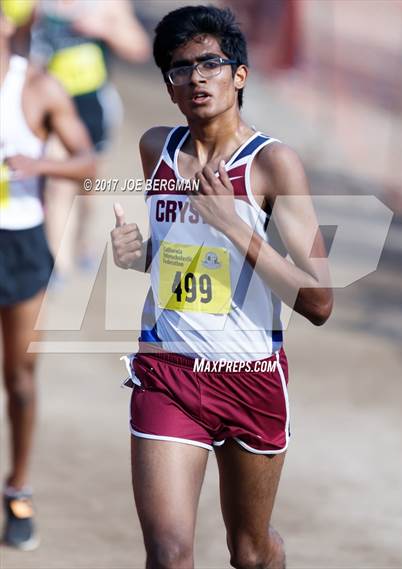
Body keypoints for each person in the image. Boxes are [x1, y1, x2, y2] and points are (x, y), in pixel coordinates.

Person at [111, 5, 333, 568]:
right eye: (179, 69)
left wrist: (234, 223)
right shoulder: (155, 149)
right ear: (169, 87)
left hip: (250, 375)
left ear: (240, 75)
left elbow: (318, 301)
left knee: (251, 552)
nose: (195, 78)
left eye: (210, 63)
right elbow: (187, 260)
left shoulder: (273, 164)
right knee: (168, 553)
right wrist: (142, 256)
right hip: (169, 371)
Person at [0, 5, 95, 550]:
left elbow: (88, 162)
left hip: (19, 244)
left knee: (18, 377)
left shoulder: (37, 87)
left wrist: (39, 166)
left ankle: (19, 489)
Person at [29, 0, 151, 278]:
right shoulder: (40, 5)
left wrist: (104, 28)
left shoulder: (108, 4)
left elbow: (139, 47)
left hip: (93, 106)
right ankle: (58, 265)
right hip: (51, 105)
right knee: (57, 185)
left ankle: (84, 240)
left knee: (87, 188)